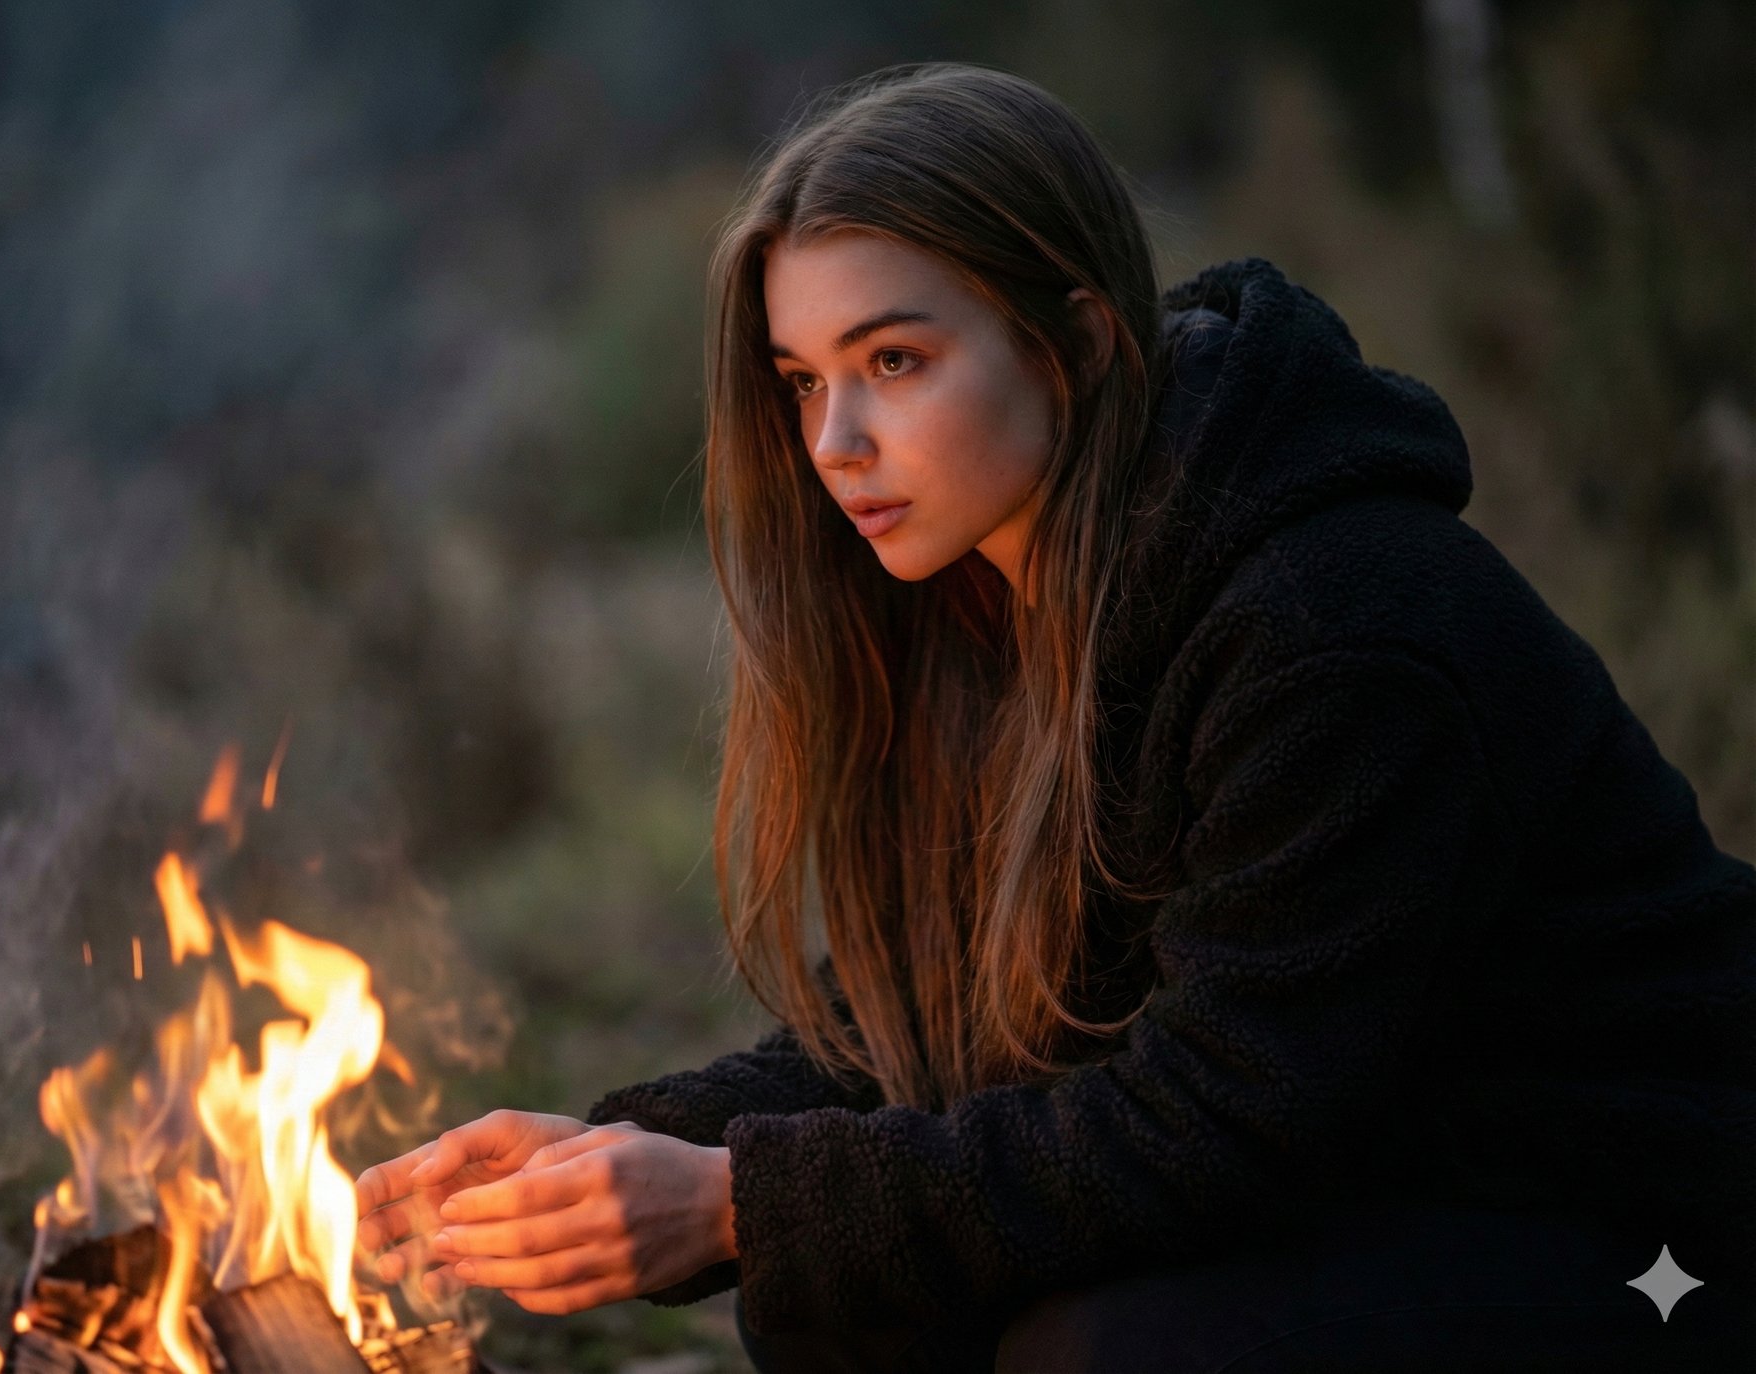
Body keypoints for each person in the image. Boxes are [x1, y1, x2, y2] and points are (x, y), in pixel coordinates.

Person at [354, 63, 1756, 1370]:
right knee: (923, 1313)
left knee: (1093, 1348)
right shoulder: (985, 605)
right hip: (1404, 1187)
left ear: (1074, 343)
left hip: (1663, 1227)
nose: (835, 443)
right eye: (803, 381)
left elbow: (1223, 1117)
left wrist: (739, 1202)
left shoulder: (1330, 628)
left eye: (893, 362)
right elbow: (927, 1026)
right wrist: (619, 1154)